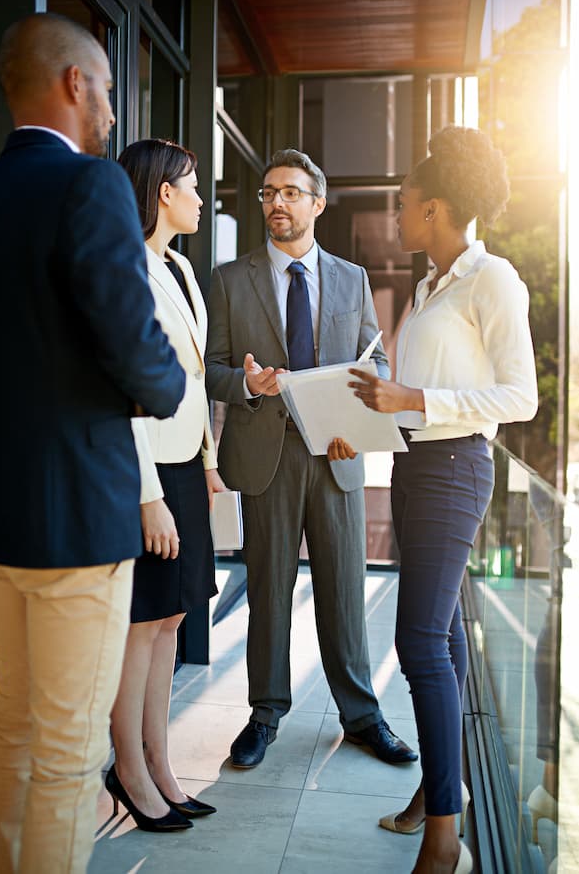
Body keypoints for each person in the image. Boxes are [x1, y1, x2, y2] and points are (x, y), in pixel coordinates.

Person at [0, 14, 186, 874]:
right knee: (68, 754)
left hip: (0, 517)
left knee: (13, 726)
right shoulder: (90, 186)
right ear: (73, 83)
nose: (109, 108)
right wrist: (168, 387)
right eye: (103, 86)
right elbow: (133, 340)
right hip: (78, 520)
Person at [347, 124, 538, 874]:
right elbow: (411, 400)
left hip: (457, 468)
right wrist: (362, 419)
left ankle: (444, 834)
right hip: (417, 466)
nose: (397, 217)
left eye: (405, 206)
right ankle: (437, 789)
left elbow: (517, 396)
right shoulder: (430, 286)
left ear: (435, 210)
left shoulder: (493, 280)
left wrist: (413, 396)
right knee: (447, 639)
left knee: (418, 641)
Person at [205, 147, 418, 769]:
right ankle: (264, 714)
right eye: (269, 192)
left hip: (337, 455)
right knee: (268, 591)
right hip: (265, 454)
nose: (277, 202)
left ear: (317, 203)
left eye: (291, 193)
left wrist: (360, 413)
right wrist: (247, 384)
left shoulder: (352, 277)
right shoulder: (229, 278)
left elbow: (375, 361)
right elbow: (212, 370)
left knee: (344, 591)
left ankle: (361, 717)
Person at [106, 138, 225, 831]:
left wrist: (207, 460)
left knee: (175, 615)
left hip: (185, 464)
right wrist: (149, 494)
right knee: (141, 623)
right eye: (191, 185)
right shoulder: (126, 268)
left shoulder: (178, 267)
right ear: (161, 194)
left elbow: (196, 377)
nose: (201, 198)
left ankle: (159, 762)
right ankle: (128, 769)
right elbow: (125, 392)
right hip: (144, 469)